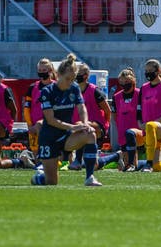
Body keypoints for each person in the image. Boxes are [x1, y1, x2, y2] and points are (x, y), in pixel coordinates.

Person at [33, 53, 102, 186]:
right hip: (49, 138)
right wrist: (73, 127)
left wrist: (85, 122)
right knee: (51, 182)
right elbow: (51, 120)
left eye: (73, 79)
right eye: (68, 79)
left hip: (66, 137)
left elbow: (82, 108)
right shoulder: (47, 92)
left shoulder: (74, 88)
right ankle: (39, 178)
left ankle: (90, 177)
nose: (70, 82)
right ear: (58, 75)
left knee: (90, 134)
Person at [69, 63, 111, 170]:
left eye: (79, 74)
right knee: (94, 165)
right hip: (78, 126)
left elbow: (107, 110)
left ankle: (77, 160)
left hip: (96, 125)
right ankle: (116, 156)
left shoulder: (95, 91)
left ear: (86, 76)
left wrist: (105, 126)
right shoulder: (72, 91)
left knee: (81, 126)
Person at [111, 67, 144, 172]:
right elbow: (114, 114)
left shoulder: (140, 94)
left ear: (133, 81)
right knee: (128, 166)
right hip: (122, 129)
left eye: (127, 82)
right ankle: (121, 159)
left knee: (133, 163)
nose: (125, 84)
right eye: (122, 82)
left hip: (138, 130)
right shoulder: (116, 97)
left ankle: (149, 163)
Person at [23, 58, 56, 155]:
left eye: (44, 70)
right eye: (40, 70)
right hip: (33, 125)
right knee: (37, 157)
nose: (42, 73)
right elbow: (27, 108)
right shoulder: (32, 87)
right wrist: (29, 125)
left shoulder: (56, 87)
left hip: (51, 123)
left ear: (50, 71)